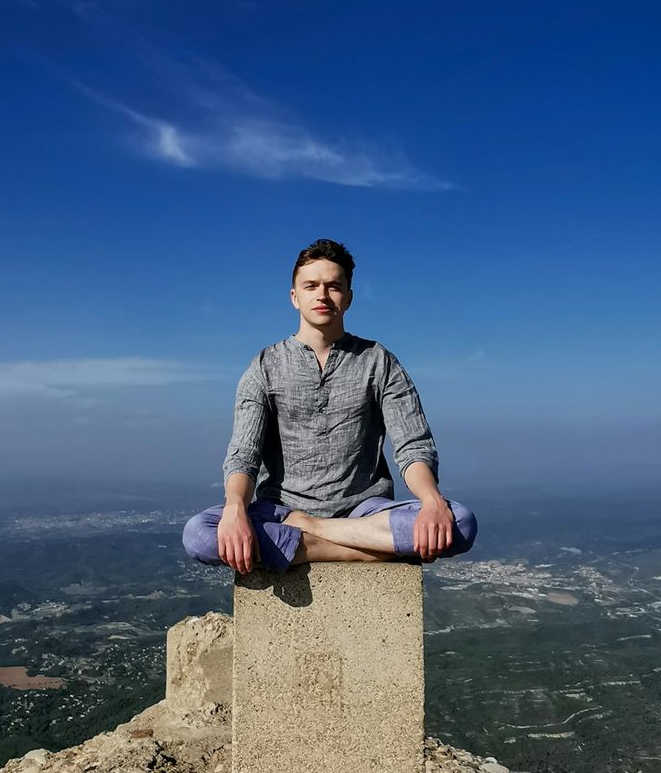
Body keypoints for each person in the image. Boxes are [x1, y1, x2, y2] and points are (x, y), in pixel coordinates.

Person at [182, 238, 478, 572]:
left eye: (333, 286)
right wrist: (236, 506)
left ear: (348, 297)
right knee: (199, 535)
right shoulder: (265, 365)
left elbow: (413, 446)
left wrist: (431, 501)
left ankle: (313, 534)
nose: (322, 295)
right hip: (281, 509)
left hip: (364, 509)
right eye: (311, 286)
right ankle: (365, 550)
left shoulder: (378, 361)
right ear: (295, 297)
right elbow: (243, 455)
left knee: (460, 524)